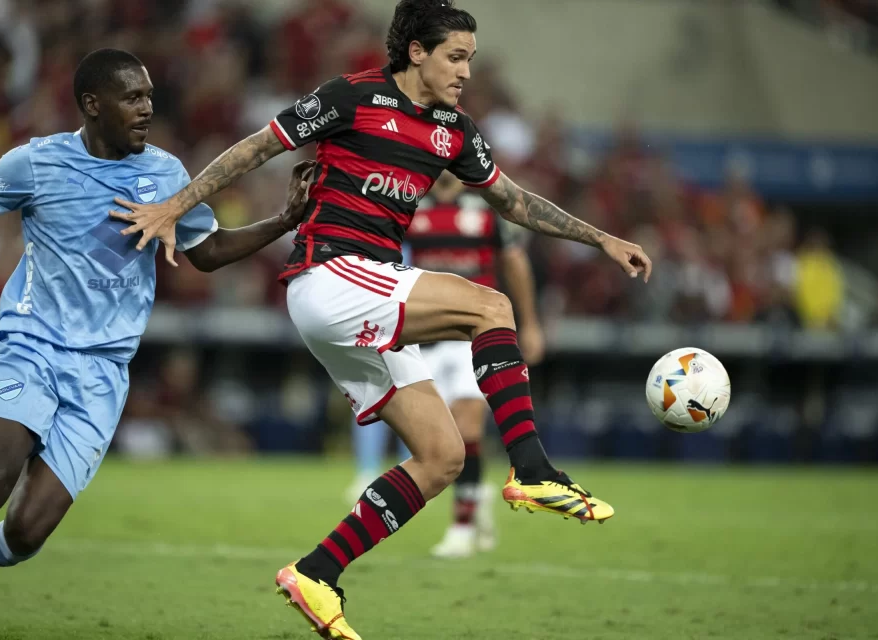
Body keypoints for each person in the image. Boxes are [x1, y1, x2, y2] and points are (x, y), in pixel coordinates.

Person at [111, 1, 652, 636]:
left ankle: (316, 573)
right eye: (456, 56)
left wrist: (602, 239)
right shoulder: (352, 96)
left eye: (471, 59)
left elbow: (514, 201)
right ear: (417, 52)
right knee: (492, 305)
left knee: (442, 456)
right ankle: (531, 468)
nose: (466, 72)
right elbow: (257, 148)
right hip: (330, 275)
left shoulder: (454, 131)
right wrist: (174, 206)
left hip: (363, 295)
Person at [0, 48, 313, 640]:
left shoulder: (164, 174)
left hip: (103, 371)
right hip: (30, 344)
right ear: (92, 104)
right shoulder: (33, 163)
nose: (147, 108)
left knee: (27, 533)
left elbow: (206, 253)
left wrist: (284, 221)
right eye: (132, 97)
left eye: (150, 96)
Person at [346, 170, 545, 559]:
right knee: (441, 439)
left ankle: (461, 527)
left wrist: (531, 323)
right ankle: (475, 497)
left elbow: (515, 262)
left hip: (474, 337)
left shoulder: (486, 204)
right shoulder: (409, 203)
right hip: (426, 337)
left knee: (468, 425)